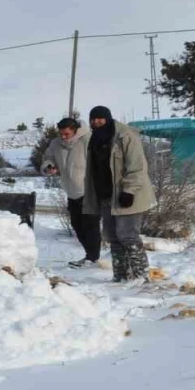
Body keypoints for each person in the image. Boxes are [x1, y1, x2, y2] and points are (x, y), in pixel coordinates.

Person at [83, 106, 156, 281]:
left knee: (128, 236)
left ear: (108, 118)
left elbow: (137, 167)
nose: (96, 122)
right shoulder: (94, 139)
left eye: (100, 118)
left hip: (127, 196)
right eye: (93, 119)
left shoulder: (125, 136)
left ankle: (141, 276)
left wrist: (129, 190)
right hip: (106, 196)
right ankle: (121, 276)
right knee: (113, 237)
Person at [41, 117, 101, 268]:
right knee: (77, 225)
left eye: (66, 134)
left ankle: (93, 258)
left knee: (90, 226)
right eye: (61, 134)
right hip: (71, 192)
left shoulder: (88, 140)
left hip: (89, 191)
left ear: (75, 131)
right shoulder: (56, 144)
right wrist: (49, 166)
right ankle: (90, 255)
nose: (63, 137)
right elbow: (48, 157)